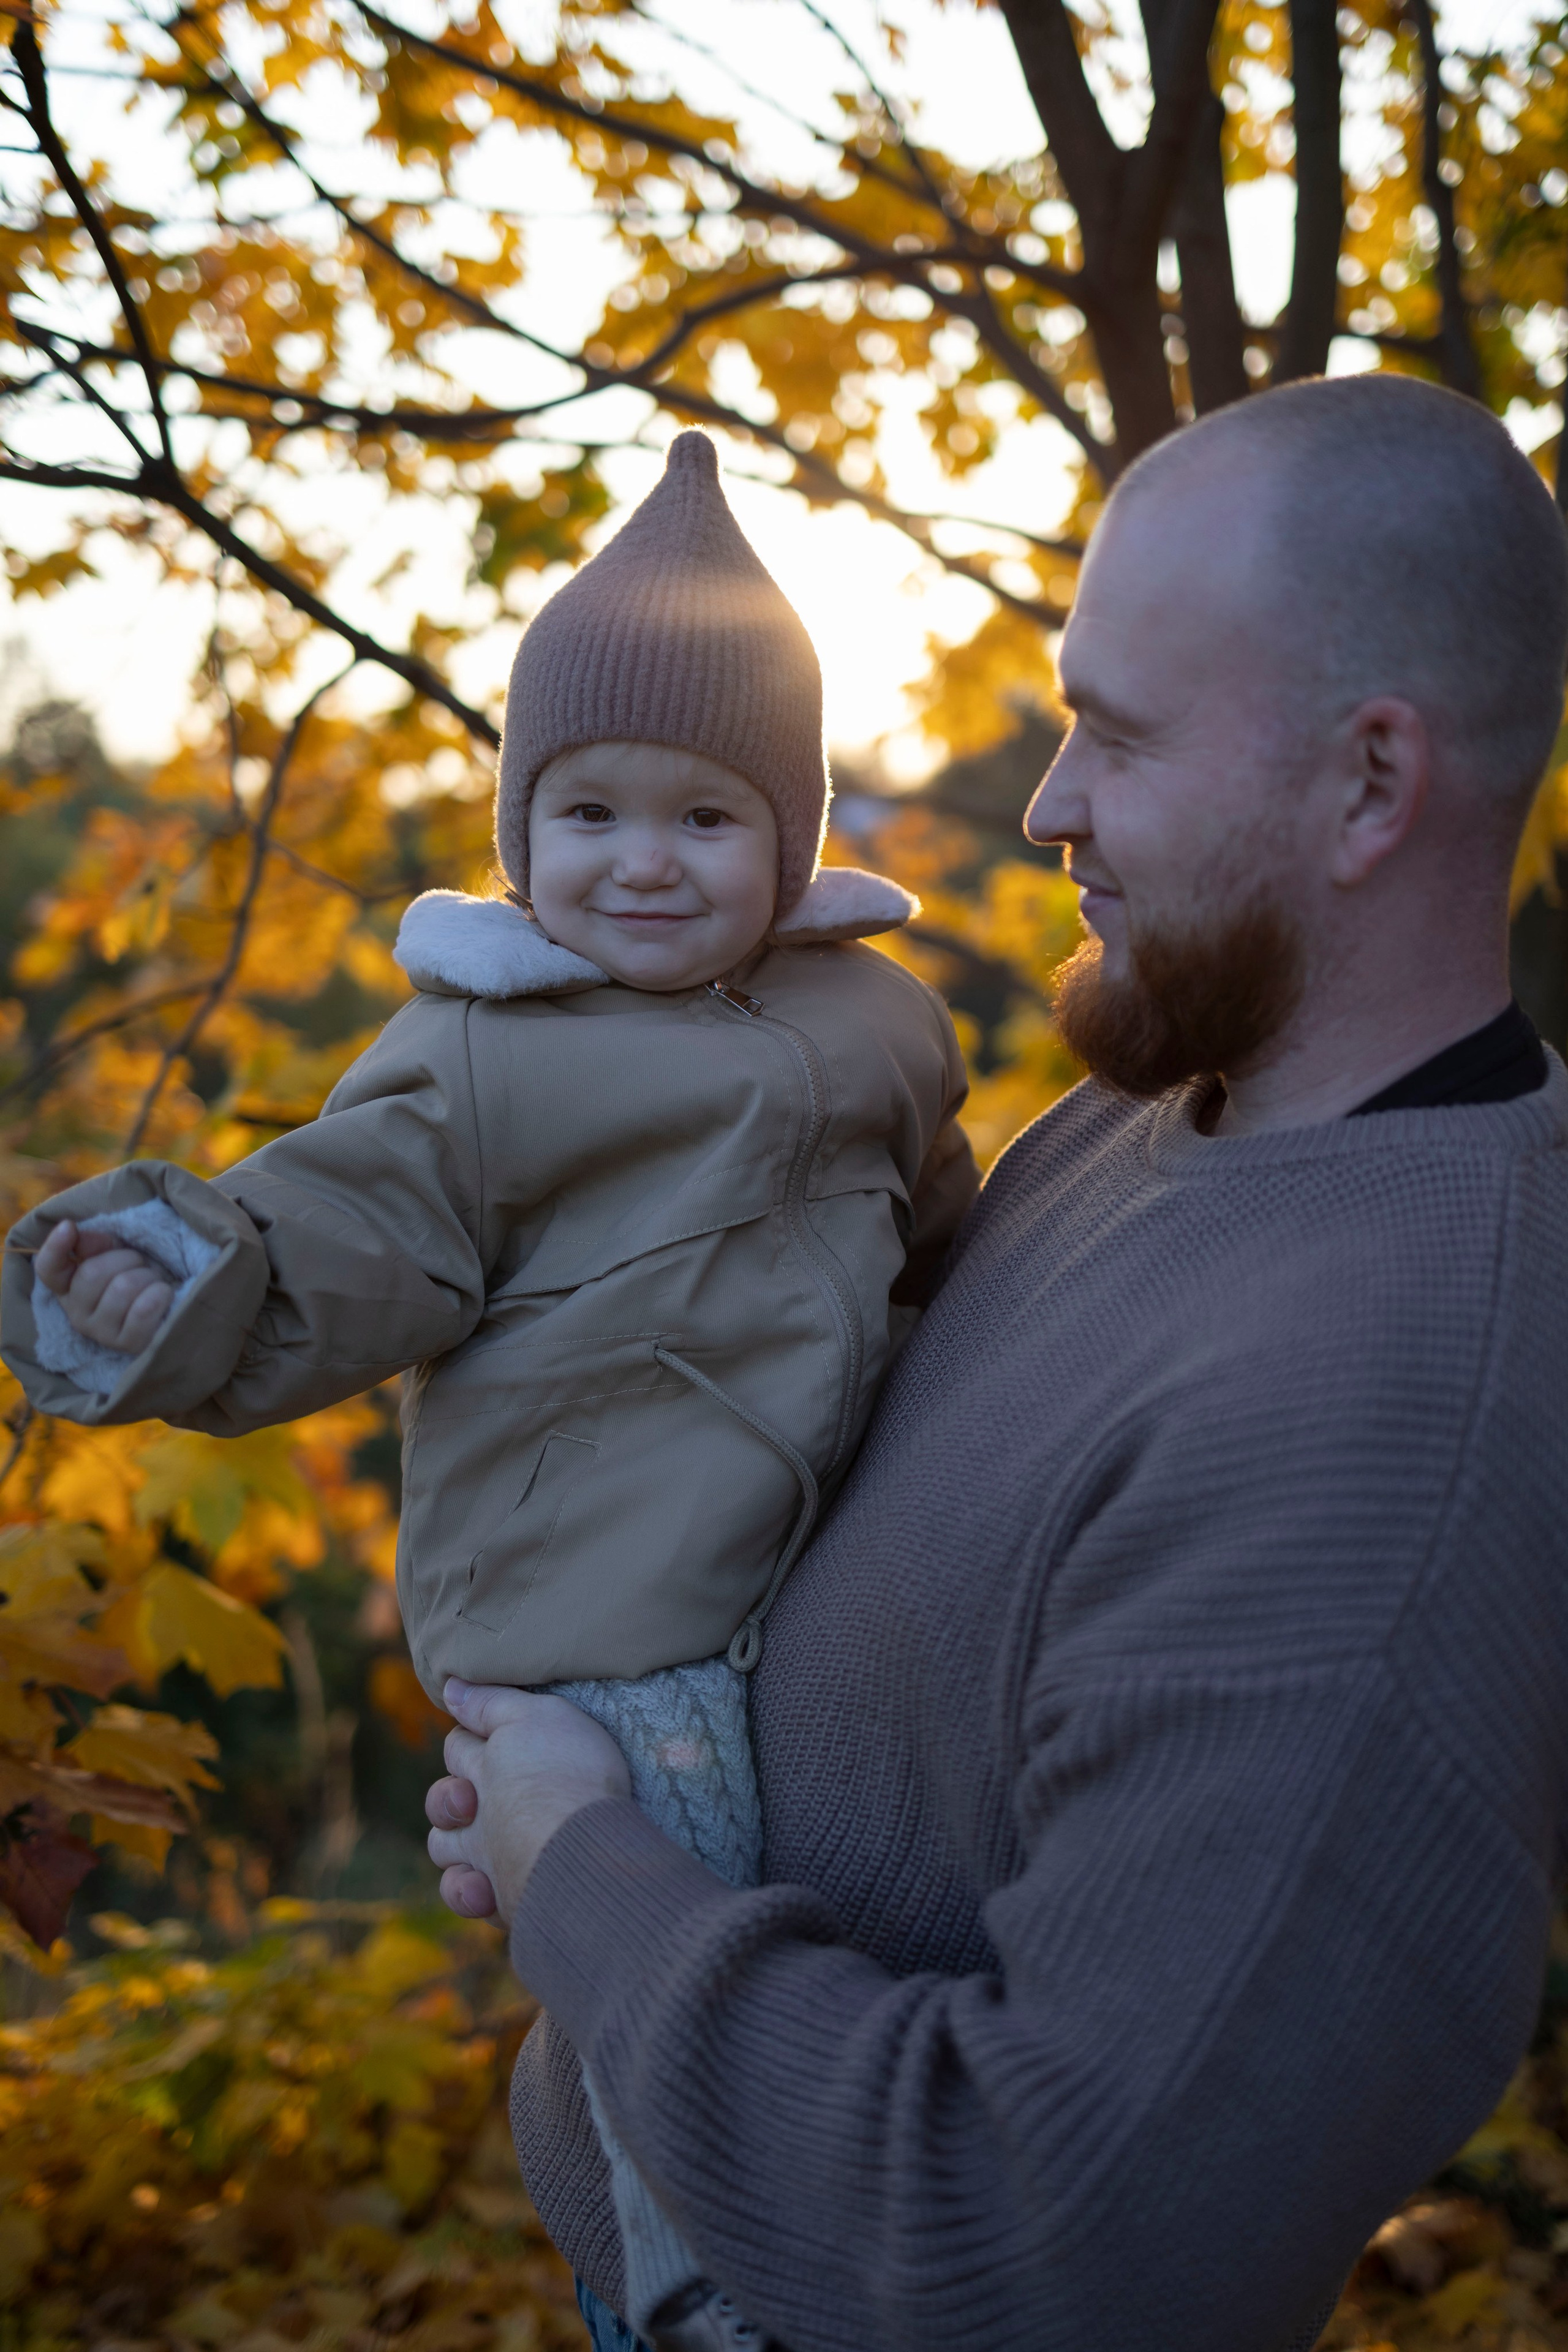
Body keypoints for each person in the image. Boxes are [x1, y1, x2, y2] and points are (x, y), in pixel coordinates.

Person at [421, 373, 1568, 2352]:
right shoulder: (1144, 1129)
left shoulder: (1395, 1432)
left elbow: (1059, 2253)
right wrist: (611, 1774)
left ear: (1372, 785)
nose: (1045, 806)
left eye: (1113, 740)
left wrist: (586, 1874)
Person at [0, 433, 976, 2352]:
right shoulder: (480, 1054)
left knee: (854, 1894)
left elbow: (939, 1228)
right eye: (590, 812)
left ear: (794, 829)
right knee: (666, 1870)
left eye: (704, 819)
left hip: (810, 1558)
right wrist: (177, 1276)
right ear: (523, 827)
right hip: (597, 1594)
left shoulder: (880, 1017)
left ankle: (878, 2187)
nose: (640, 862)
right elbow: (339, 1231)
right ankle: (703, 2272)